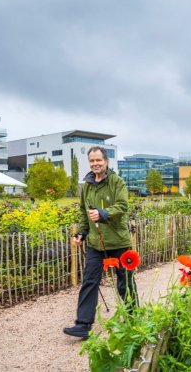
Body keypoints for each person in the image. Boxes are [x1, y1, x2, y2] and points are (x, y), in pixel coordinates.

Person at [63, 146, 138, 340]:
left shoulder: (116, 182)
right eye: (92, 161)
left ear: (106, 161)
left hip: (119, 242)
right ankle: (83, 325)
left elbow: (122, 206)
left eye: (99, 160)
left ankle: (133, 317)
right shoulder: (86, 185)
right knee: (90, 281)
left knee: (125, 282)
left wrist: (103, 214)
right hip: (96, 243)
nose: (96, 164)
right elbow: (83, 211)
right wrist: (82, 232)